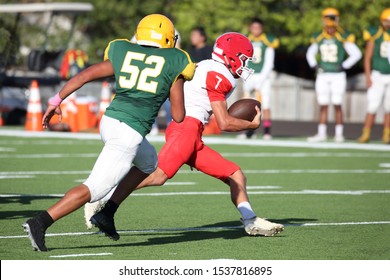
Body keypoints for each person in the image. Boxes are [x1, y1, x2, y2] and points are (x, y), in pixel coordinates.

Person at [22, 14, 196, 252]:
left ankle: (107, 213)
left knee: (149, 163)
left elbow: (84, 76)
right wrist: (172, 85)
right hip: (128, 133)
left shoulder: (122, 50)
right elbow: (178, 115)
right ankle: (40, 222)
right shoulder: (177, 59)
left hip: (110, 121)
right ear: (168, 38)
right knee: (94, 189)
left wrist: (56, 99)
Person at [89, 32, 285, 241]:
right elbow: (224, 122)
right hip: (186, 130)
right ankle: (102, 200)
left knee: (235, 175)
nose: (244, 64)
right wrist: (252, 125)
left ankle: (250, 220)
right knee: (158, 175)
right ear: (232, 56)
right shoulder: (219, 74)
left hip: (191, 134)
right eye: (243, 59)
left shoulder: (206, 66)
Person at [306, 8, 362, 143]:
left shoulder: (343, 36)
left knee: (337, 103)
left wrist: (345, 65)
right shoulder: (319, 36)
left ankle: (339, 133)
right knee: (323, 104)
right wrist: (314, 65)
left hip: (338, 75)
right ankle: (322, 133)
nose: (330, 26)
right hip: (323, 75)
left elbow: (356, 54)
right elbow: (310, 54)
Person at [238, 17, 279, 140]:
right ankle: (248, 131)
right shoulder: (245, 40)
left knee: (265, 103)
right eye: (254, 27)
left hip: (263, 76)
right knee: (247, 104)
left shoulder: (268, 41)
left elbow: (269, 62)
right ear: (250, 28)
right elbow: (242, 59)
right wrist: (245, 75)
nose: (256, 30)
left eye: (258, 28)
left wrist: (261, 78)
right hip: (249, 75)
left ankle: (267, 131)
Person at [357, 8, 390, 144]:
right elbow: (367, 57)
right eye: (386, 21)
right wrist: (368, 76)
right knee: (373, 105)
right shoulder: (375, 34)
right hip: (377, 74)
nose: (388, 24)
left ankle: (386, 134)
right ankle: (366, 133)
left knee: (389, 107)